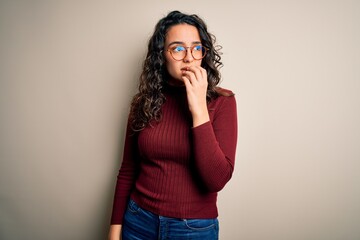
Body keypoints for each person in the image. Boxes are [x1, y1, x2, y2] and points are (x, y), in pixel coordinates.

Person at [108, 10, 237, 240]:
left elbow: (216, 180)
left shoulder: (222, 102)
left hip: (193, 230)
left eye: (196, 48)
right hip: (138, 221)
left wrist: (198, 107)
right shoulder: (143, 102)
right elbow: (128, 170)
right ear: (162, 55)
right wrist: (115, 230)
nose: (188, 57)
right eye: (178, 48)